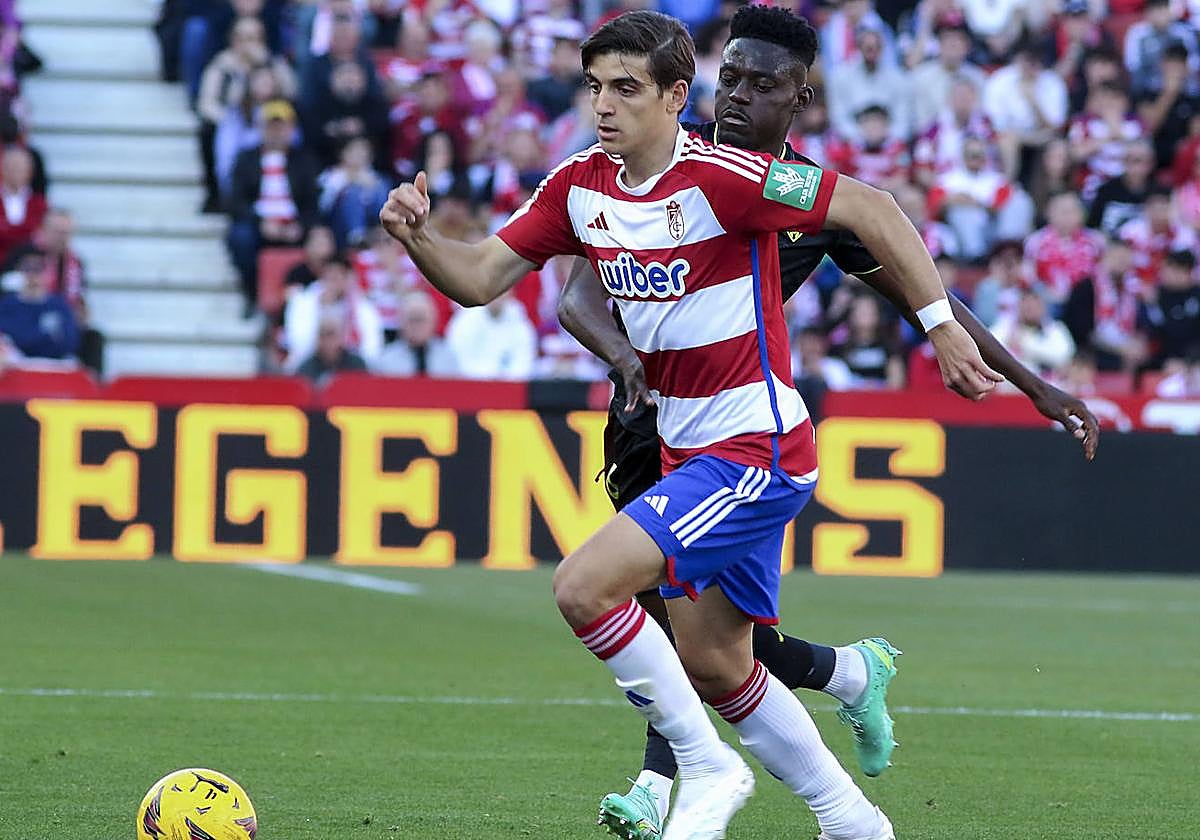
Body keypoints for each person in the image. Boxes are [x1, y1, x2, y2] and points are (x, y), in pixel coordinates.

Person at [379, 10, 1087, 840]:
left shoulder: (729, 178)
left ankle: (702, 767)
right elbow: (478, 278)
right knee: (717, 661)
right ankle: (854, 822)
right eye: (595, 87)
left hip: (756, 451)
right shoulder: (578, 185)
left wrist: (943, 327)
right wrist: (420, 238)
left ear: (675, 96)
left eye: (626, 89)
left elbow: (877, 210)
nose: (604, 105)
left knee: (582, 587)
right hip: (686, 452)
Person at [226, 99, 320, 316]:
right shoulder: (246, 159)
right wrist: (261, 223)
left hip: (294, 225)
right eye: (271, 126)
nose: (276, 132)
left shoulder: (304, 160)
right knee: (240, 237)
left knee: (322, 237)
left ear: (291, 129)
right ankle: (251, 294)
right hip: (259, 224)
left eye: (281, 126)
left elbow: (312, 202)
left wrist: (300, 225)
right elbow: (234, 201)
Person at [283, 253, 382, 371]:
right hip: (310, 361)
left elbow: (372, 347)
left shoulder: (363, 307)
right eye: (328, 278)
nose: (332, 283)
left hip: (350, 363)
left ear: (347, 279)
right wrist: (324, 307)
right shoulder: (302, 302)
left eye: (336, 278)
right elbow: (297, 343)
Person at [0, 246, 79, 363]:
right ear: (18, 271)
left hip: (55, 365)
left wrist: (29, 337)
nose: (32, 275)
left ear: (47, 273)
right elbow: (10, 340)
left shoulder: (59, 305)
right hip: (15, 367)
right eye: (27, 268)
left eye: (38, 269)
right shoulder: (7, 305)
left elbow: (69, 342)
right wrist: (46, 334)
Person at [374, 289, 459, 376]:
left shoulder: (448, 358)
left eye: (421, 319)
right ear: (401, 322)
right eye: (412, 320)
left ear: (433, 321)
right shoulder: (386, 361)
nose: (417, 326)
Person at [0, 146, 46, 267]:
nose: (15, 172)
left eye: (19, 168)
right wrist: (25, 232)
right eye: (11, 167)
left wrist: (6, 230)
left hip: (29, 269)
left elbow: (40, 237)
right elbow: (30, 233)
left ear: (29, 172)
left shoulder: (40, 204)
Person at [294, 313, 367, 383]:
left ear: (342, 336)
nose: (326, 340)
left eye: (331, 334)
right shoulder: (305, 369)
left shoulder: (357, 365)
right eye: (322, 335)